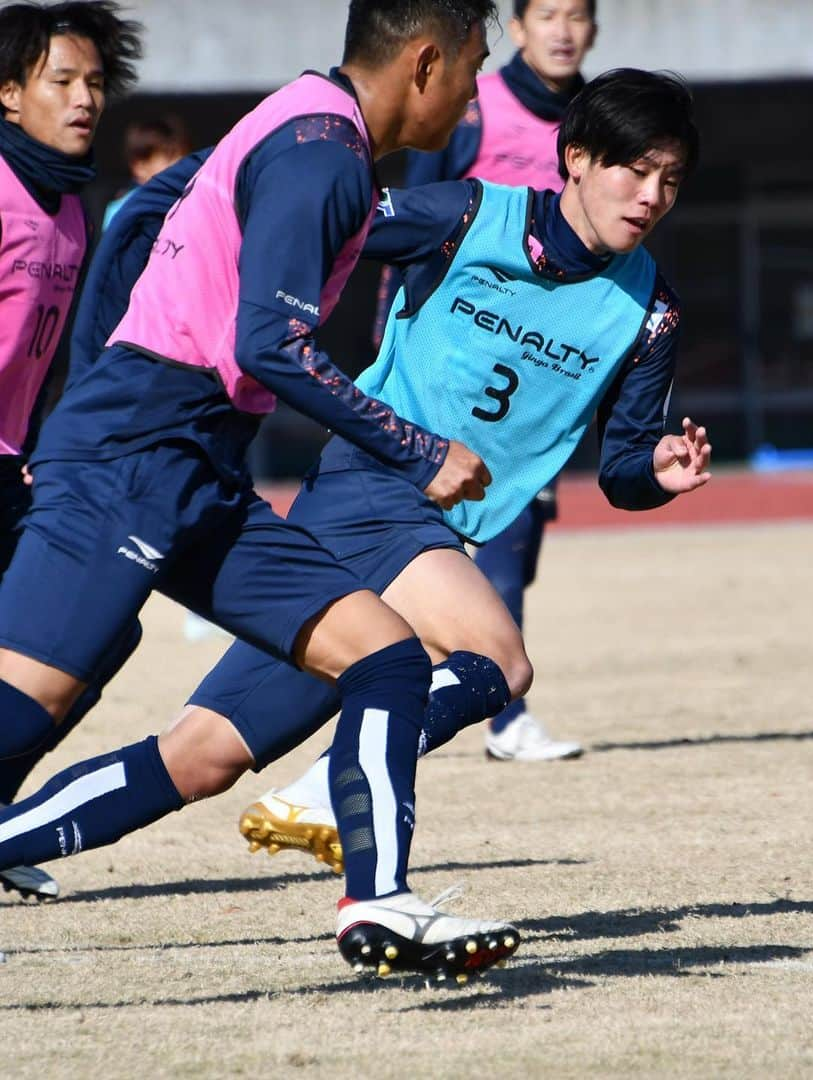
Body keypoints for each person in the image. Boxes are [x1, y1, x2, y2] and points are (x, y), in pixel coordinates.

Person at [0, 71, 708, 983]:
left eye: (671, 181)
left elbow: (620, 466)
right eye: (633, 171)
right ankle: (338, 811)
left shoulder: (650, 312)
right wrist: (185, 211)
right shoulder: (467, 216)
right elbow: (327, 226)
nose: (650, 197)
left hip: (420, 529)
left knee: (200, 758)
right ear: (575, 158)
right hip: (372, 486)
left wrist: (654, 473)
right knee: (500, 659)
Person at [0, 0, 523, 985]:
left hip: (196, 463)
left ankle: (380, 904)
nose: (474, 94)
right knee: (29, 709)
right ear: (425, 63)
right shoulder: (323, 154)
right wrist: (417, 449)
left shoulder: (312, 125)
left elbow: (151, 214)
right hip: (133, 455)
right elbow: (268, 346)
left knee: (384, 656)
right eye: (473, 67)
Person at [370, 0, 598, 763]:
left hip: (538, 370)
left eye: (578, 15)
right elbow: (409, 225)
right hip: (456, 358)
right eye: (548, 14)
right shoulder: (475, 110)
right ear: (522, 29)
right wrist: (391, 332)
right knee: (473, 533)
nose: (564, 30)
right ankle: (501, 710)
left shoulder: (601, 126)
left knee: (516, 538)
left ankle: (466, 683)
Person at [0, 0, 143, 900]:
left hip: (15, 467)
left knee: (100, 630)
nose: (85, 98)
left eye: (96, 82)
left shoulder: (72, 206)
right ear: (8, 93)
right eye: (63, 81)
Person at [101, 112, 191, 229]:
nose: (181, 166)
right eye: (170, 157)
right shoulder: (123, 210)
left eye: (185, 158)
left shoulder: (193, 202)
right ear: (139, 167)